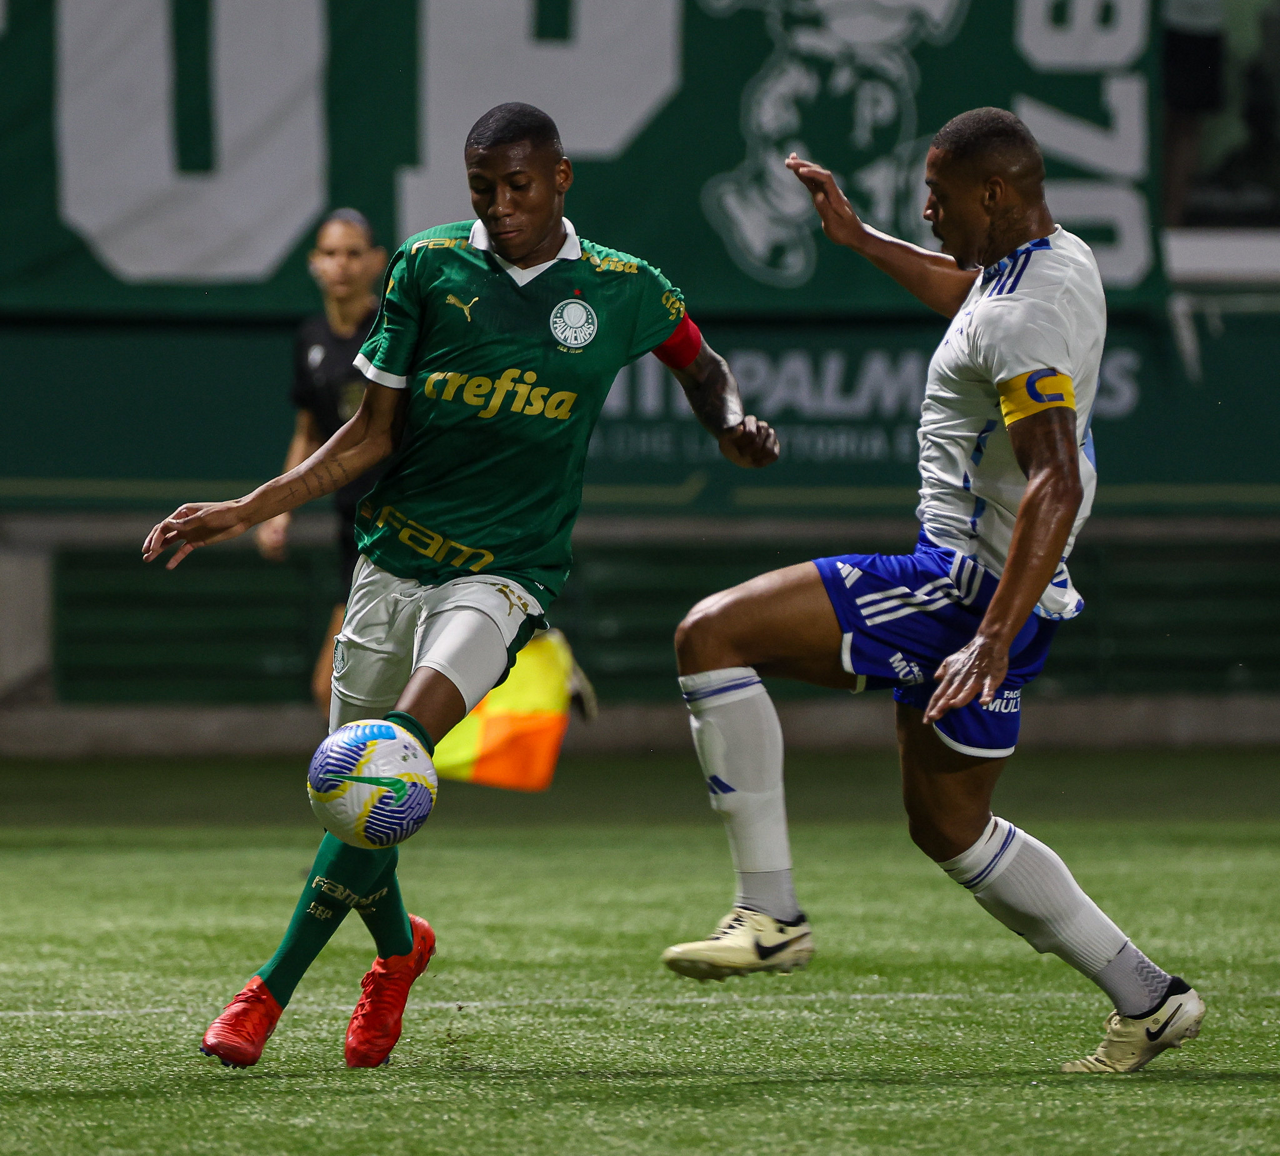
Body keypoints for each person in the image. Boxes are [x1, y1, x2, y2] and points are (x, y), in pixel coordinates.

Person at [143, 102, 778, 1070]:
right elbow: (370, 434)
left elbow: (702, 365)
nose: (499, 206)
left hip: (505, 576)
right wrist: (245, 508)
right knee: (350, 793)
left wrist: (729, 423)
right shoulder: (429, 267)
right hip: (390, 561)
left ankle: (266, 991)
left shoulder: (621, 287)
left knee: (388, 756)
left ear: (560, 178)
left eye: (517, 186)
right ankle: (399, 951)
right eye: (482, 189)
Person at [660, 108, 1205, 1076]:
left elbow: (1054, 479)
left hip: (960, 587)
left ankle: (769, 912)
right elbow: (970, 299)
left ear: (992, 194)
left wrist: (987, 635)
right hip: (1014, 590)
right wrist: (861, 238)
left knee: (710, 636)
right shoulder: (1058, 261)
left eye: (936, 196)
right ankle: (1148, 996)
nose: (926, 210)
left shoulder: (1022, 316)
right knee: (949, 827)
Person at [255, 209, 386, 712]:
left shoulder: (396, 330)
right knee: (341, 690)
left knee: (334, 687)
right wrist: (278, 512)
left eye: (353, 253)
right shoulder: (310, 338)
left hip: (406, 522)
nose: (341, 265)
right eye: (331, 253)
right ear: (314, 262)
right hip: (353, 528)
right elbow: (307, 433)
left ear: (376, 262)